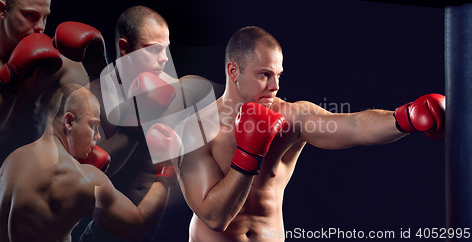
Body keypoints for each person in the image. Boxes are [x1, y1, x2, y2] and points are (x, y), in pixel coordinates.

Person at [175, 26, 445, 241]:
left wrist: (405, 118)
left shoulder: (291, 117)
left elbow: (356, 126)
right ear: (233, 71)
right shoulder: (196, 130)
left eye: (278, 75)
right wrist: (249, 153)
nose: (275, 86)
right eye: (264, 75)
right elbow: (214, 218)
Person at [79, 5, 221, 241]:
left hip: (172, 228)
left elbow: (238, 98)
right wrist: (133, 129)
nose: (164, 59)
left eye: (166, 49)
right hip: (114, 230)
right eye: (153, 50)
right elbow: (85, 175)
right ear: (125, 48)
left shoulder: (180, 89)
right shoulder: (94, 98)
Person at [0, 0, 93, 241]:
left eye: (45, 17)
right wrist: (14, 76)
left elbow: (92, 113)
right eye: (30, 16)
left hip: (35, 186)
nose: (40, 27)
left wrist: (94, 66)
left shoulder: (56, 59)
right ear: (2, 10)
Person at [0, 83, 177, 242]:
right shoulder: (84, 177)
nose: (97, 136)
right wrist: (168, 167)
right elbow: (140, 223)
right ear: (69, 122)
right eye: (93, 126)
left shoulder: (12, 159)